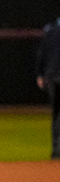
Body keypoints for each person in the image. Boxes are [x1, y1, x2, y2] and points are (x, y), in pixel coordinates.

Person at [39, 16, 60, 159]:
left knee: (56, 113)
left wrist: (40, 74)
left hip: (52, 76)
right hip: (54, 75)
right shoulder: (50, 31)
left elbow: (42, 53)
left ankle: (56, 151)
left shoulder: (50, 30)